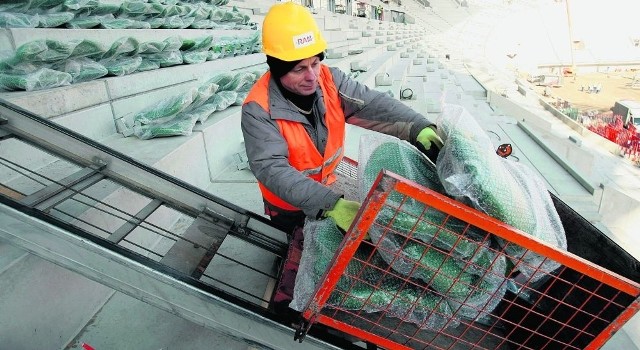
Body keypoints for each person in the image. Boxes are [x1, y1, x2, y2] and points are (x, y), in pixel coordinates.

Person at [240, 1, 443, 314]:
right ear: (277, 68)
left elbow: (374, 105)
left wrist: (417, 127)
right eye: (299, 69)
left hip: (326, 186)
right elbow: (273, 171)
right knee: (305, 274)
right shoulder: (258, 110)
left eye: (315, 63)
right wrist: (329, 204)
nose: (311, 76)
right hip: (289, 206)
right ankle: (288, 313)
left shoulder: (329, 82)